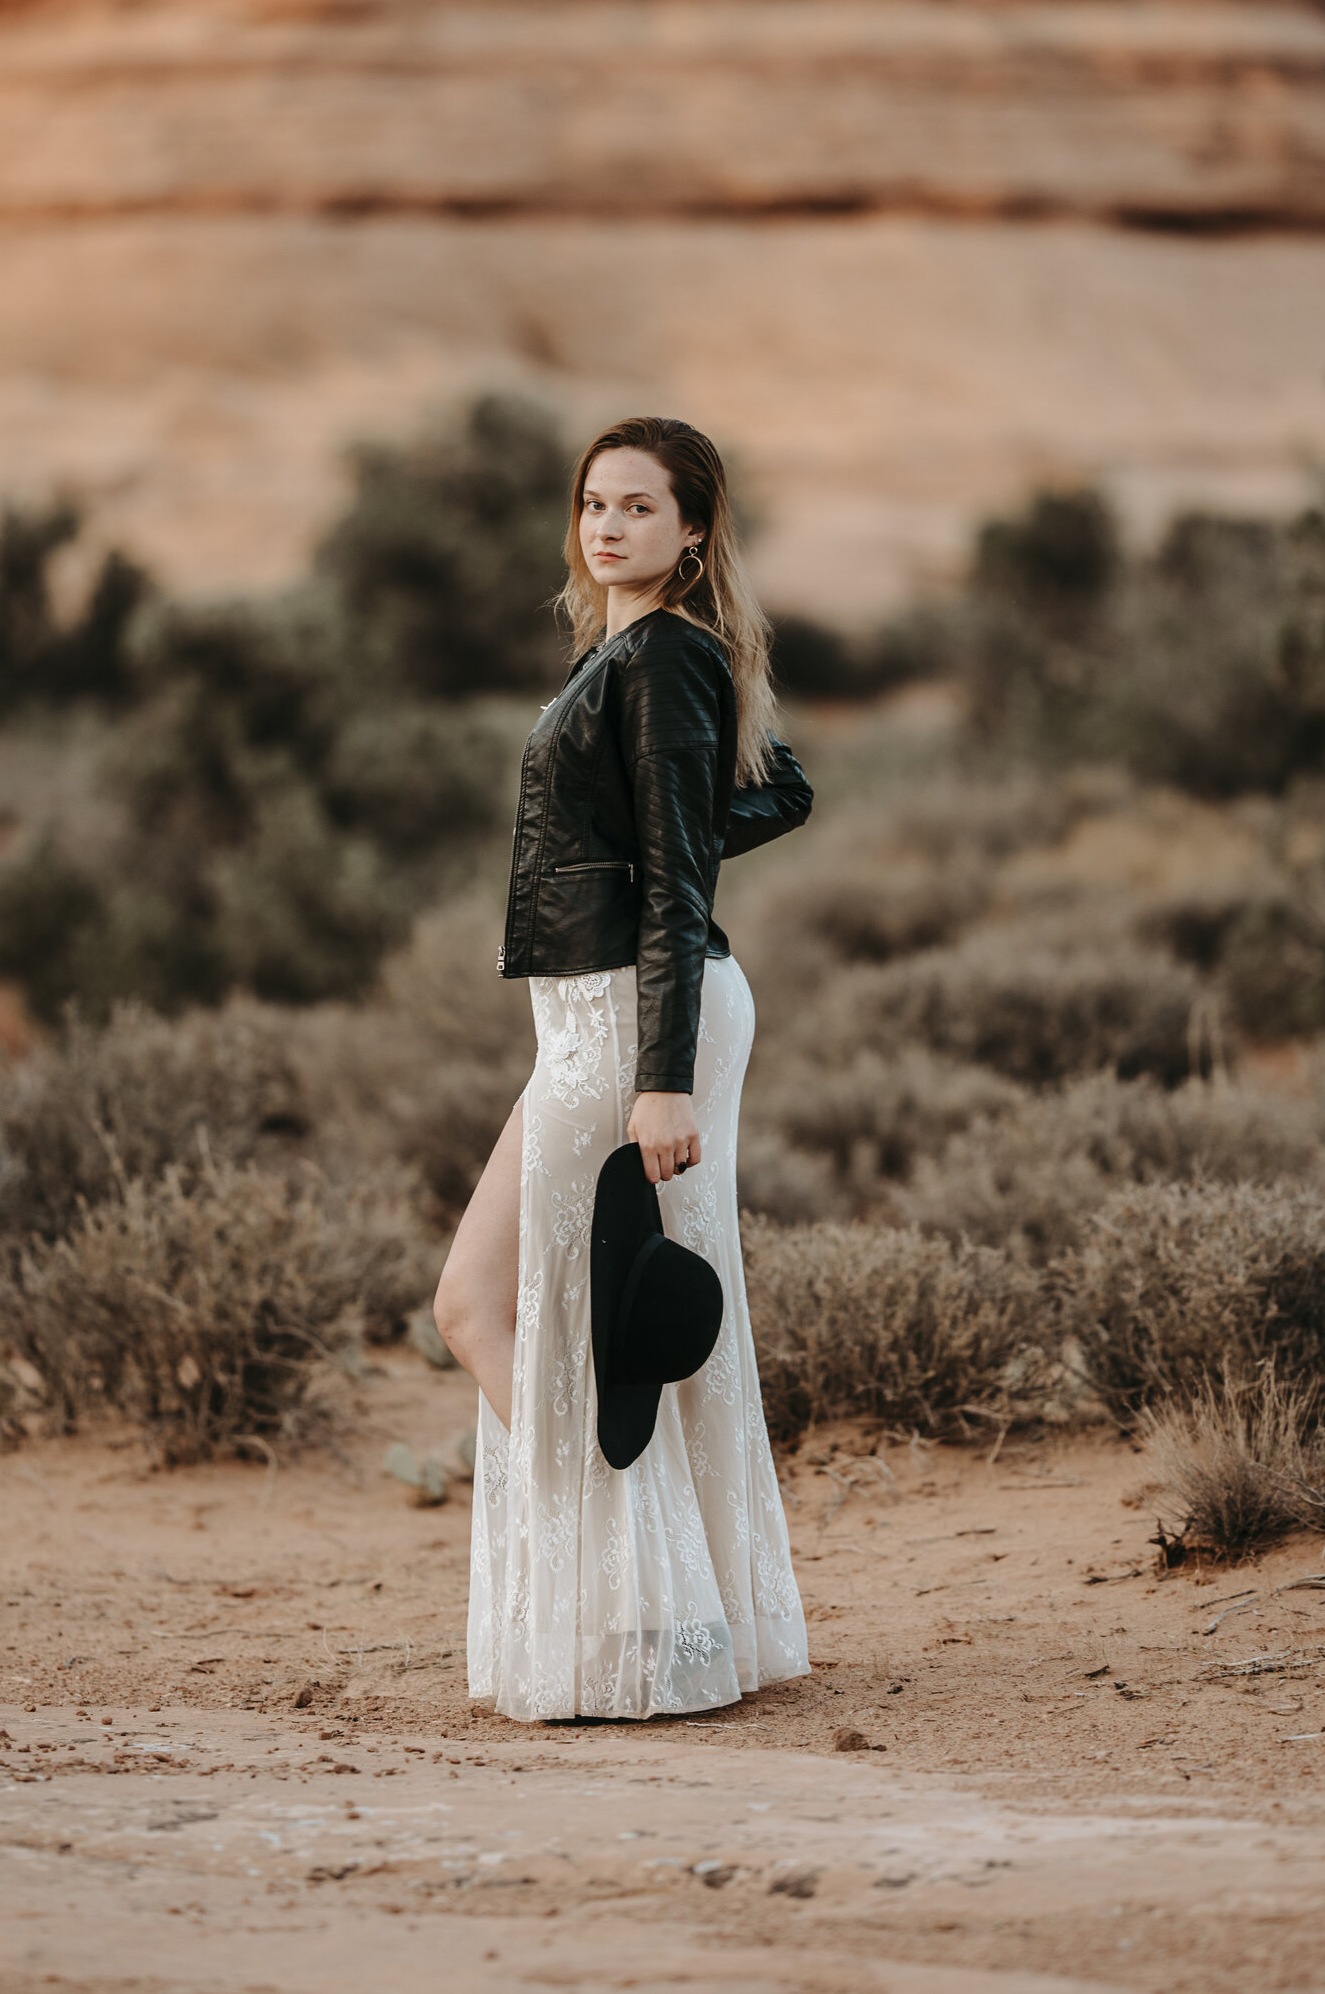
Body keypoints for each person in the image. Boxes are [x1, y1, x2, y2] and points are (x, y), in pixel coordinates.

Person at [434, 415, 814, 1724]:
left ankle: (640, 1608)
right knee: (548, 1314)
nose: (608, 525)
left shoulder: (660, 656)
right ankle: (667, 1601)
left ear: (693, 528)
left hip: (633, 1018)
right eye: (596, 502)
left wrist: (659, 1073)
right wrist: (676, 843)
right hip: (608, 1015)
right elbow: (772, 795)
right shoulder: (637, 652)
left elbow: (680, 886)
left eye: (640, 507)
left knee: (497, 1305)